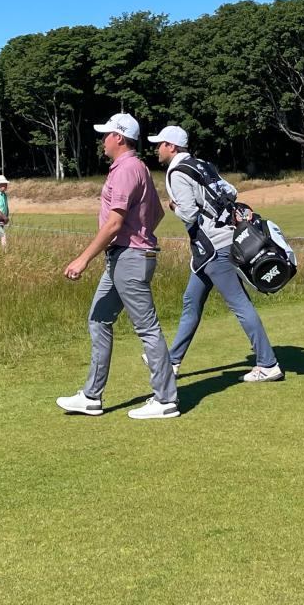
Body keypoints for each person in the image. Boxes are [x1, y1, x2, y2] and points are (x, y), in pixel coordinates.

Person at [56, 113, 179, 420]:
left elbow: (114, 223)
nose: (103, 140)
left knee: (147, 328)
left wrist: (83, 258)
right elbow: (158, 215)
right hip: (125, 257)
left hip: (129, 258)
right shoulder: (137, 169)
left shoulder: (127, 170)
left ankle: (166, 400)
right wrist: (140, 233)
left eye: (107, 134)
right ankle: (91, 397)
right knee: (98, 319)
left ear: (120, 138)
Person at [148, 124, 282, 383]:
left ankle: (268, 364)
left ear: (172, 147)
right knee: (191, 302)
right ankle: (172, 361)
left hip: (212, 247)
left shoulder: (176, 172)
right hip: (216, 245)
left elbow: (188, 213)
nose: (157, 149)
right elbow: (230, 191)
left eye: (160, 144)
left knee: (240, 304)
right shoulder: (202, 164)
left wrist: (174, 205)